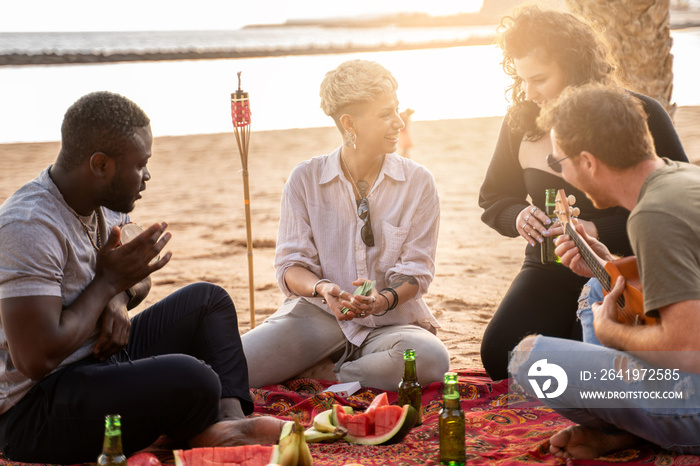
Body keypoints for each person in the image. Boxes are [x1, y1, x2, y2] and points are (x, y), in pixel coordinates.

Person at [0, 92, 283, 464]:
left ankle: (224, 423)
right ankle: (204, 421)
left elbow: (137, 274)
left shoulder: (98, 201)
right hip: (37, 409)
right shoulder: (29, 226)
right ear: (100, 165)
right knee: (194, 378)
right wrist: (106, 284)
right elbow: (35, 359)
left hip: (98, 360)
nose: (147, 176)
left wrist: (117, 299)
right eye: (141, 165)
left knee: (208, 301)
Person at [477, 5, 688, 381]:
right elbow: (492, 199)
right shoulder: (519, 124)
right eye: (523, 79)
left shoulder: (638, 113)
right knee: (499, 354)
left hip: (622, 264)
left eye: (539, 78)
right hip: (548, 267)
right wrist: (517, 216)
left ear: (573, 67)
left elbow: (674, 205)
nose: (529, 92)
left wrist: (595, 232)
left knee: (589, 354)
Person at [510, 84, 700, 459]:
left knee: (528, 359)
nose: (560, 174)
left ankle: (633, 426)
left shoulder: (653, 215)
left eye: (557, 162)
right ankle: (624, 429)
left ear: (589, 162)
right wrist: (608, 260)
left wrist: (609, 332)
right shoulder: (680, 178)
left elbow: (687, 349)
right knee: (600, 288)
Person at [241, 60, 450, 392]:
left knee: (430, 358)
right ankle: (337, 365)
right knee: (236, 369)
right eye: (385, 114)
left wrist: (382, 300)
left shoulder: (418, 182)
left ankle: (326, 376)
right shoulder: (305, 180)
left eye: (396, 111)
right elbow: (291, 266)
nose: (398, 122)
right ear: (349, 123)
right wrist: (324, 289)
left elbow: (417, 272)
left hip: (389, 324)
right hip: (315, 318)